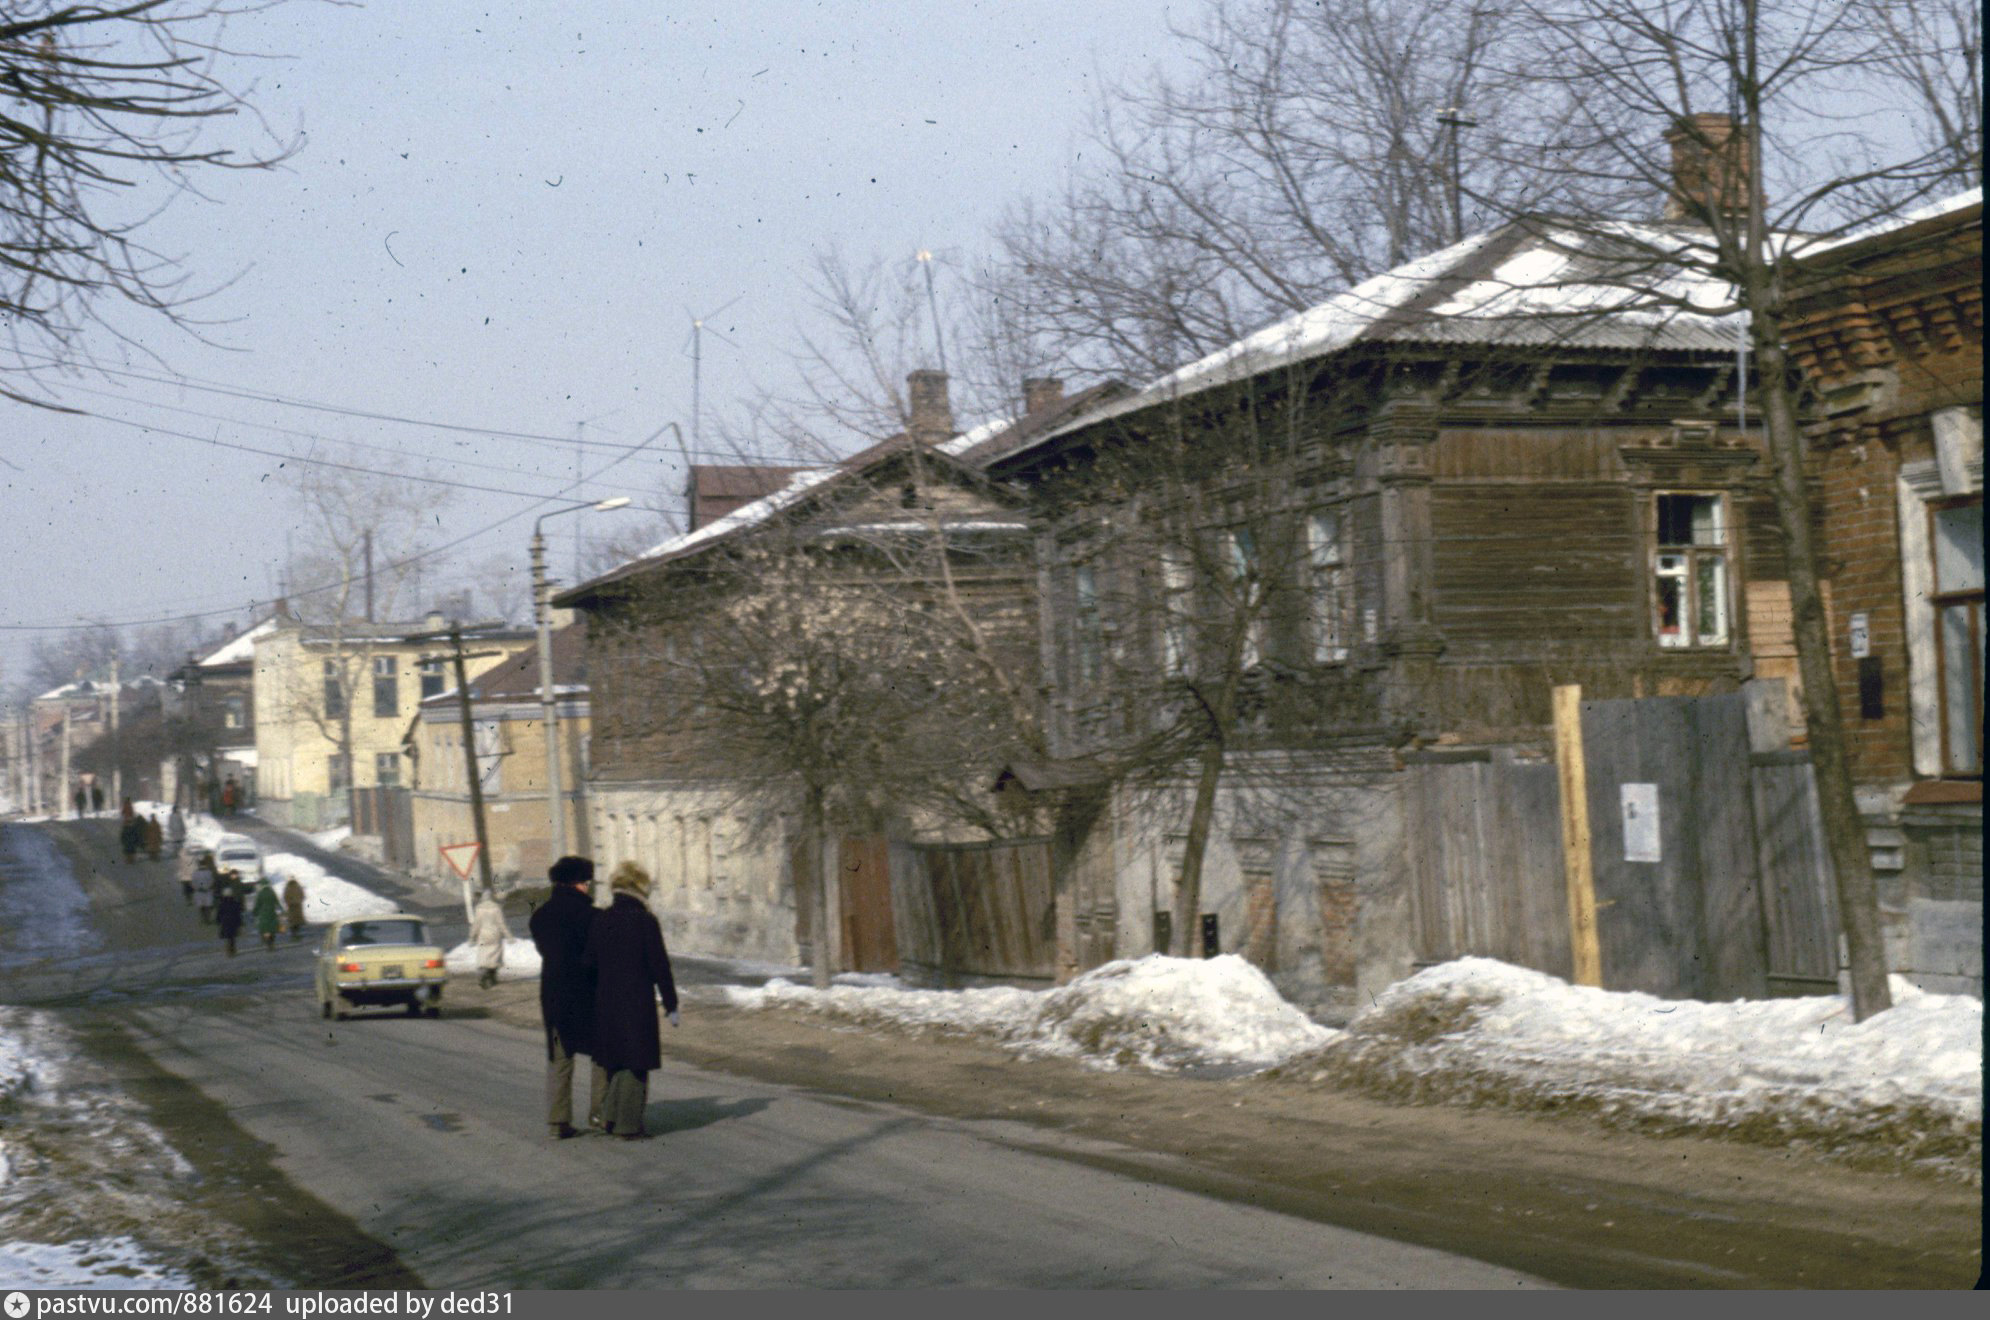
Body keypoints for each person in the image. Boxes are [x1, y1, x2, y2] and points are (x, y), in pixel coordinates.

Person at [581, 861, 678, 1141]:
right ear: (639, 888)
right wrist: (671, 1004)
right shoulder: (645, 921)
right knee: (635, 1065)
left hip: (606, 1005)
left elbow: (588, 963)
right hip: (637, 1005)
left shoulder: (602, 919)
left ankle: (610, 1119)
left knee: (614, 1063)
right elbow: (660, 966)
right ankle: (628, 1126)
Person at [528, 855, 604, 1140]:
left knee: (560, 1058)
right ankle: (600, 1113)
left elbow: (545, 950)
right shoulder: (592, 916)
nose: (588, 886)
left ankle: (558, 1120)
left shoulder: (540, 916)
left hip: (554, 994)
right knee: (600, 1055)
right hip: (588, 994)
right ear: (579, 883)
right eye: (586, 881)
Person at [470, 891, 509, 990]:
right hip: (495, 934)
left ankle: (484, 974)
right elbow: (501, 923)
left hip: (483, 935)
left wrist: (472, 937)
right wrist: (509, 936)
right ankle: (492, 977)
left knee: (484, 955)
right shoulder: (496, 908)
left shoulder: (479, 908)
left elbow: (476, 924)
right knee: (495, 957)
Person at [214, 871, 245, 956]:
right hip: (233, 922)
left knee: (228, 938)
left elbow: (219, 913)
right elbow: (238, 913)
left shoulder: (222, 904)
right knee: (232, 938)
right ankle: (233, 950)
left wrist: (218, 921)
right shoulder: (235, 903)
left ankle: (229, 950)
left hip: (225, 923)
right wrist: (240, 923)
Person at [251, 878, 282, 952]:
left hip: (263, 914)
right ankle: (272, 944)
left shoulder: (260, 893)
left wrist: (254, 912)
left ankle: (268, 945)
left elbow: (257, 904)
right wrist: (281, 910)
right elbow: (277, 902)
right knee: (272, 929)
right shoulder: (272, 892)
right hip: (272, 913)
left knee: (265, 930)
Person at [193, 851, 216, 923]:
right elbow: (212, 881)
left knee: (201, 906)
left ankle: (204, 918)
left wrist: (196, 887)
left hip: (199, 892)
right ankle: (207, 918)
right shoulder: (209, 872)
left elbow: (193, 882)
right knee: (208, 906)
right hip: (208, 891)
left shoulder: (195, 873)